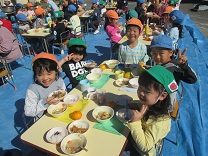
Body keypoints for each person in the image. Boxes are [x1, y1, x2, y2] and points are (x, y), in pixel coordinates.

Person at [125, 65, 178, 156]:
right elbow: (143, 105)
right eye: (140, 87)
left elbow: (145, 146)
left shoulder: (161, 122)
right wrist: (136, 105)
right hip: (132, 137)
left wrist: (136, 121)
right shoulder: (149, 103)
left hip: (140, 152)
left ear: (162, 96)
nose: (141, 93)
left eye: (147, 91)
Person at [24, 53, 66, 120]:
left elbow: (64, 93)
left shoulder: (59, 81)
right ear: (35, 75)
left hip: (61, 112)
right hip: (44, 119)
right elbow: (28, 112)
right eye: (40, 75)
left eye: (49, 74)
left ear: (56, 71)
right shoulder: (33, 89)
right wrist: (45, 102)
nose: (45, 78)